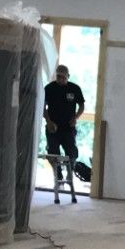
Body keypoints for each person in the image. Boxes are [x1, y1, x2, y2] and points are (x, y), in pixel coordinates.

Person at [42, 63, 86, 202]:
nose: (60, 79)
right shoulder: (49, 88)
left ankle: (69, 172)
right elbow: (42, 105)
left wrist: (76, 118)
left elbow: (82, 105)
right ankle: (58, 175)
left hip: (68, 127)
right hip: (53, 127)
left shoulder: (74, 88)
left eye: (63, 77)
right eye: (58, 76)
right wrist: (48, 121)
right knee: (53, 152)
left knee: (72, 152)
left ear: (68, 77)